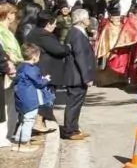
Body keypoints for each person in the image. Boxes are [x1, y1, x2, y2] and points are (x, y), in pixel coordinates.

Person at [25, 14, 68, 132]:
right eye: (54, 23)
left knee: (43, 97)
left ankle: (42, 121)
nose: (55, 26)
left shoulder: (34, 32)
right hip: (47, 70)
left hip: (40, 69)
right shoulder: (44, 35)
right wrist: (67, 48)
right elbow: (59, 50)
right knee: (46, 97)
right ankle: (38, 123)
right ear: (48, 23)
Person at [58, 8, 95, 141]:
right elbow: (80, 57)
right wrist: (87, 77)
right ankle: (70, 131)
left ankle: (74, 128)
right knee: (73, 104)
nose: (88, 20)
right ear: (81, 20)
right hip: (76, 75)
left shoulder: (77, 32)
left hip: (77, 75)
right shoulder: (76, 33)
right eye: (87, 17)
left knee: (77, 104)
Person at [13, 44, 53, 149]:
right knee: (29, 120)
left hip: (20, 97)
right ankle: (24, 143)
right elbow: (39, 83)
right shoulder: (32, 69)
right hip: (30, 98)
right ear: (34, 56)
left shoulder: (20, 66)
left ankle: (18, 140)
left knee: (24, 120)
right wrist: (45, 79)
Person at [1, 3, 23, 143]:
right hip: (7, 71)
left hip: (12, 70)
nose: (15, 16)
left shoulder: (7, 31)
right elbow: (6, 51)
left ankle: (8, 134)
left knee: (11, 105)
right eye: (13, 13)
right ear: (8, 15)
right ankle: (3, 136)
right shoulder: (2, 32)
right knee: (5, 106)